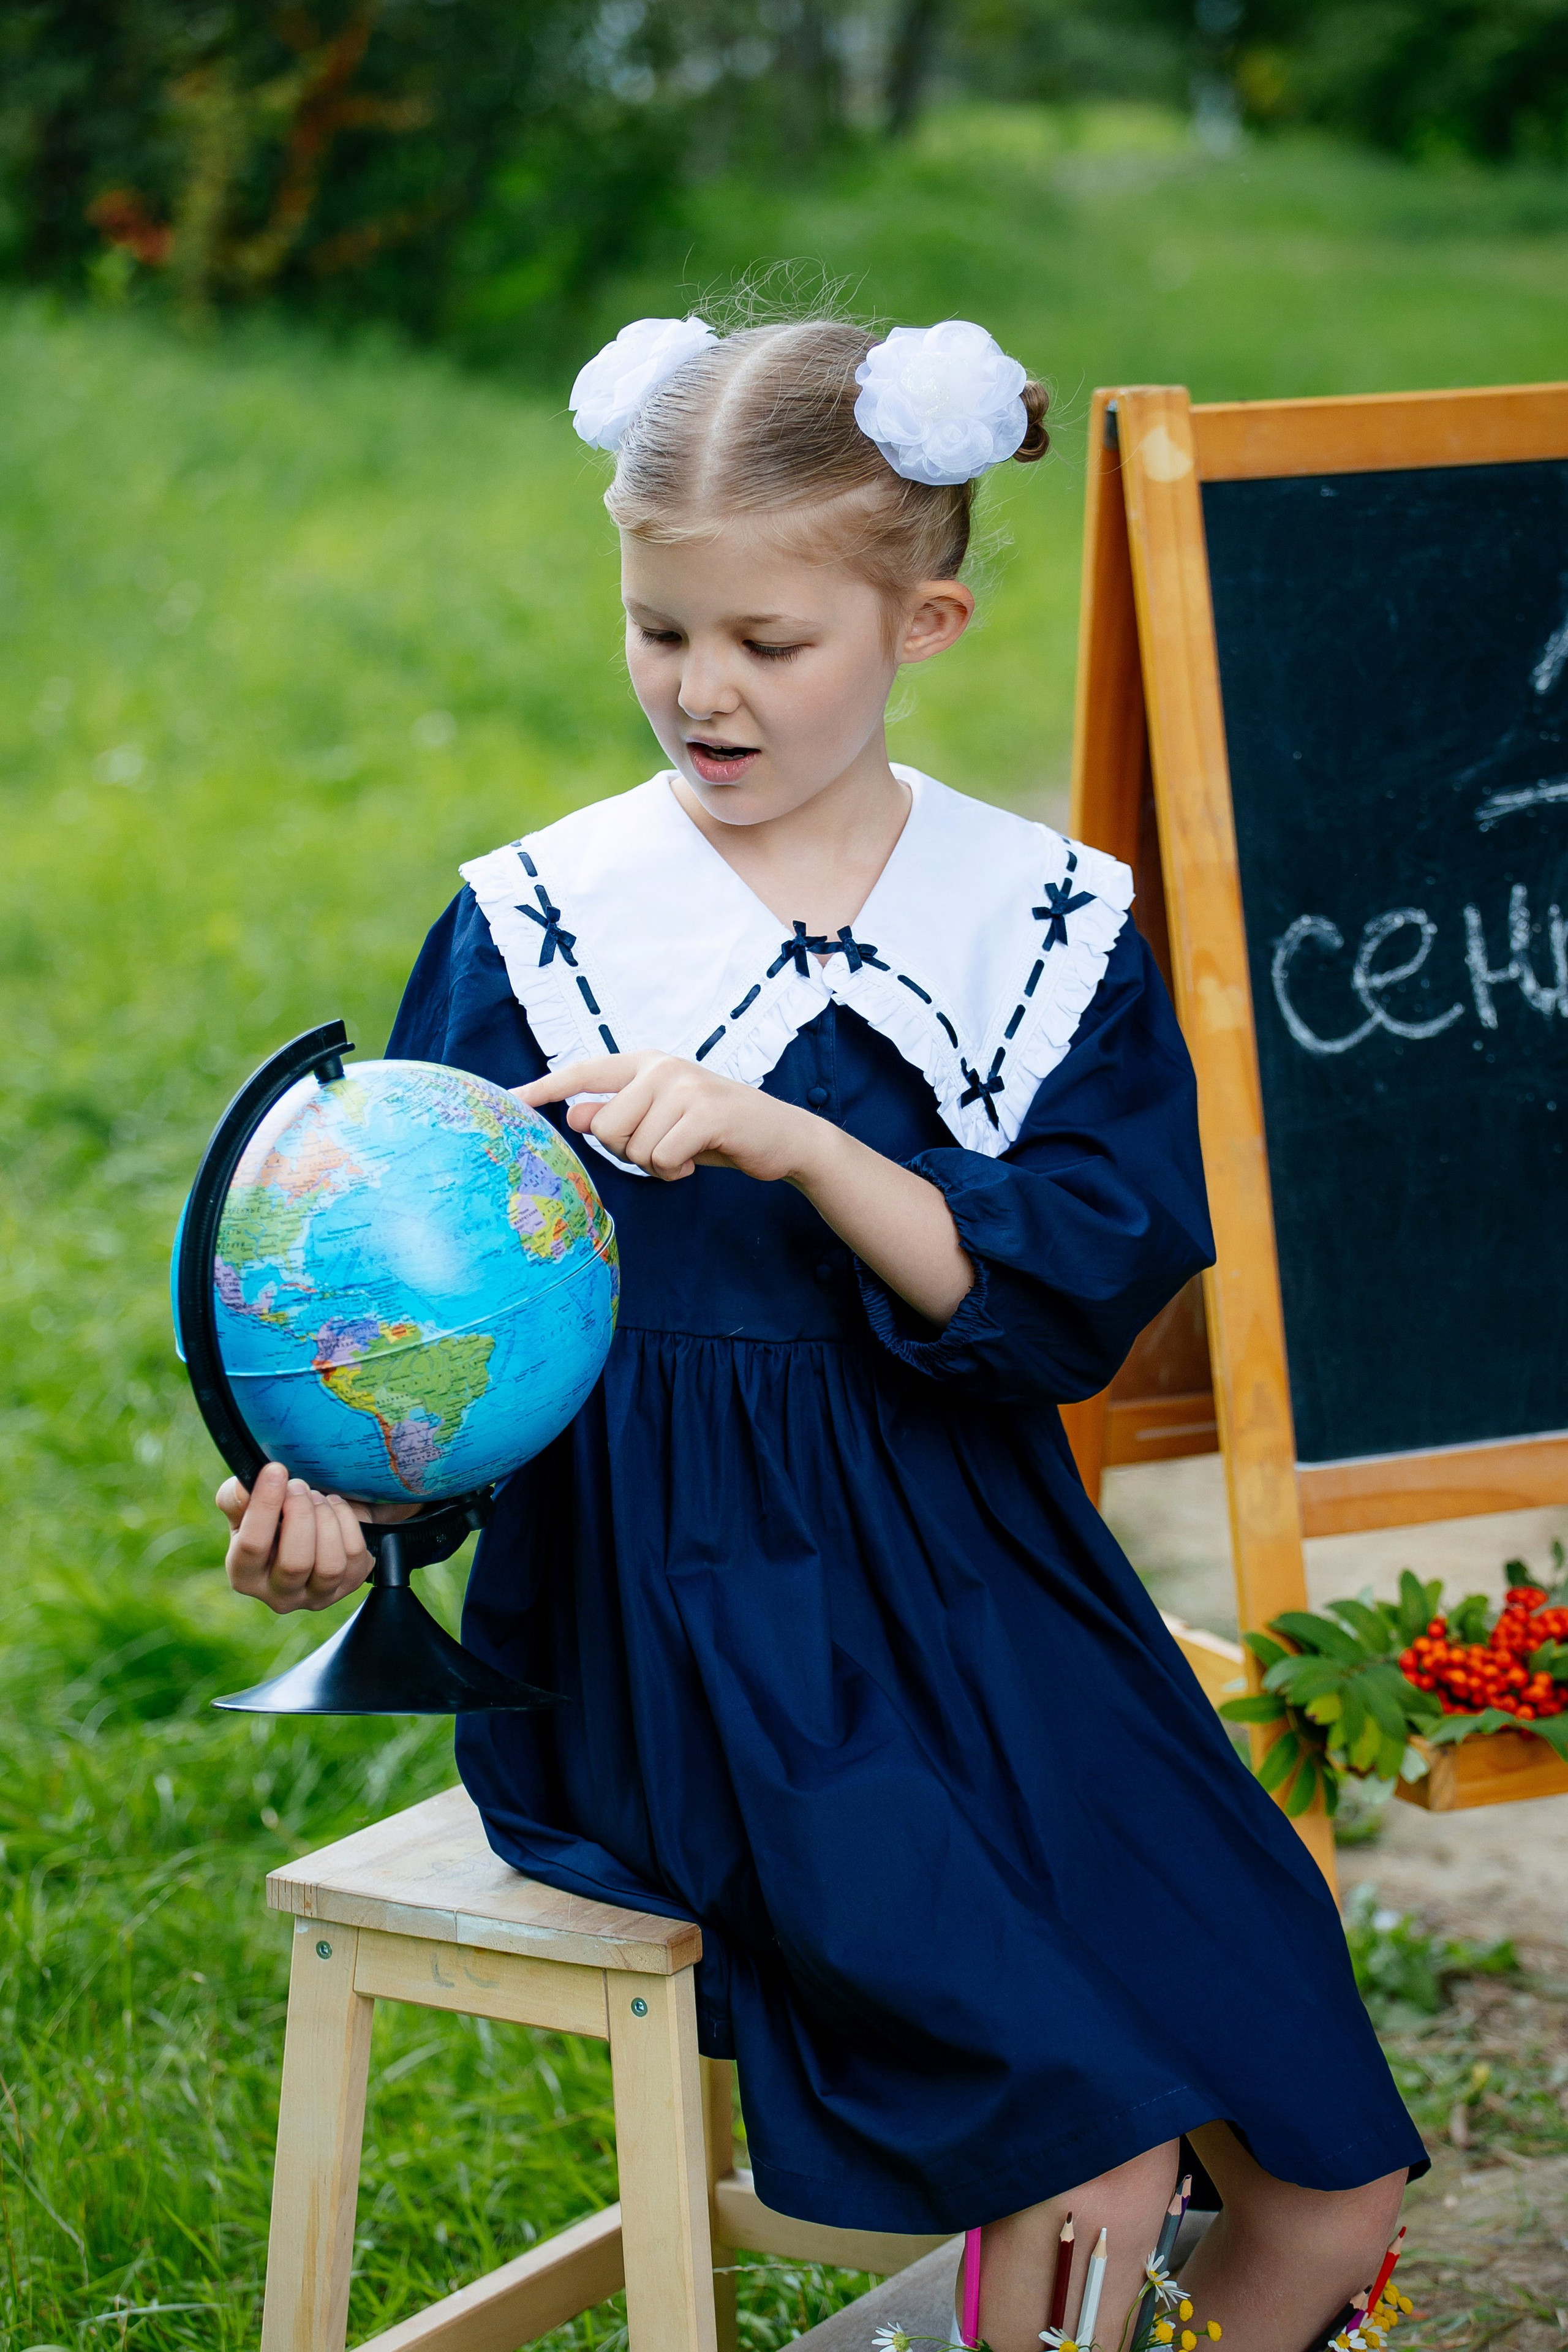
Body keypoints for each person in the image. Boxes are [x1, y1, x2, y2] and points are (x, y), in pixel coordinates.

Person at [217, 311, 1423, 2351]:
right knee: (1097, 2151)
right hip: (679, 1625)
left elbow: (1061, 1302)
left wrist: (795, 1143)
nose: (703, 692)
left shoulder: (1040, 925)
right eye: (658, 630)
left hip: (1000, 1595)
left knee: (1333, 2176)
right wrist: (340, 1504)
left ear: (924, 620)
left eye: (769, 644)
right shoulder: (546, 923)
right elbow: (413, 1296)